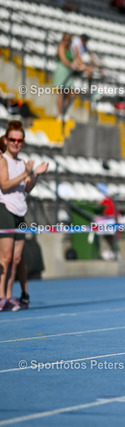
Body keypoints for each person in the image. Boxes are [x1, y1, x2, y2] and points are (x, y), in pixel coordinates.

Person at [0, 121, 48, 311]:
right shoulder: (3, 160)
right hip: (5, 209)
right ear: (6, 140)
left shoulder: (21, 163)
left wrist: (34, 175)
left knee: (16, 259)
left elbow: (27, 188)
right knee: (5, 258)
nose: (16, 143)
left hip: (20, 212)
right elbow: (4, 185)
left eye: (19, 140)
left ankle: (9, 296)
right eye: (12, 139)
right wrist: (25, 173)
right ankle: (1, 296)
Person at [52, 33, 77, 119]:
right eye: (65, 40)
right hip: (62, 72)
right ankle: (60, 114)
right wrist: (73, 66)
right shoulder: (61, 47)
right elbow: (64, 60)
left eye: (68, 40)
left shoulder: (70, 49)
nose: (66, 42)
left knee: (71, 93)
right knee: (61, 94)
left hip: (68, 73)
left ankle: (64, 111)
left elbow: (75, 59)